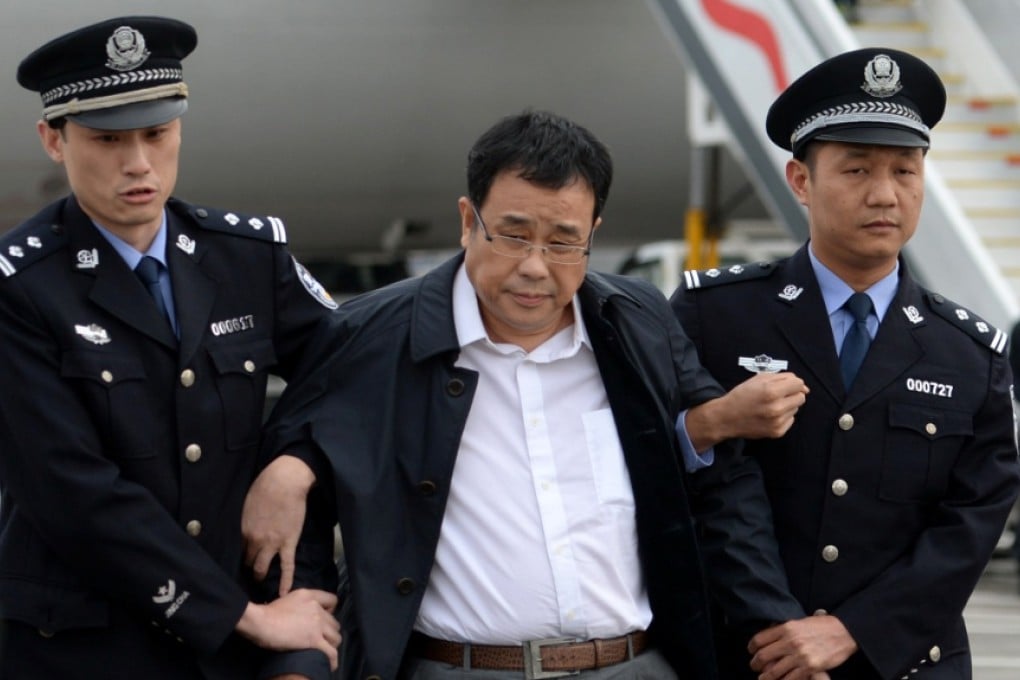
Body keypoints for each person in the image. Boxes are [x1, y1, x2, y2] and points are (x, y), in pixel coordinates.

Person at [239, 109, 810, 680]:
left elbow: (721, 484)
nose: (535, 267)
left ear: (593, 236)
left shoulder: (638, 323)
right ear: (468, 221)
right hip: (455, 667)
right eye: (513, 235)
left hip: (633, 664)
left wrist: (771, 621)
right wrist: (298, 664)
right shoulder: (374, 335)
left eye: (564, 242)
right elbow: (299, 501)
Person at [0, 16, 343, 679]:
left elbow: (351, 366)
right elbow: (72, 494)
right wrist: (245, 617)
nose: (138, 164)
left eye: (156, 134)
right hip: (84, 649)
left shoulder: (245, 256)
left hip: (231, 655)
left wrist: (294, 465)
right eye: (106, 139)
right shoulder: (19, 289)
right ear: (53, 139)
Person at [671, 47, 1020, 679]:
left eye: (905, 171)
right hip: (748, 658)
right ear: (801, 181)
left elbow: (970, 525)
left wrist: (852, 629)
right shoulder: (715, 317)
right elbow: (677, 477)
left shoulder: (967, 353)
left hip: (905, 662)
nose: (884, 194)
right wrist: (705, 427)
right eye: (856, 170)